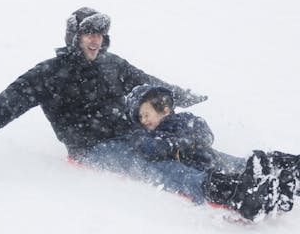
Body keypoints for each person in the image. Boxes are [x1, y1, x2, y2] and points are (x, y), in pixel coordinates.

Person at [0, 7, 207, 156]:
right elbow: (6, 105)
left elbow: (147, 83)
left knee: (187, 148)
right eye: (89, 33)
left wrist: (181, 95)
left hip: (132, 134)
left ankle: (237, 172)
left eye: (100, 34)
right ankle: (226, 193)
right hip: (92, 150)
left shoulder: (112, 64)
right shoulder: (48, 74)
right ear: (73, 36)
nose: (96, 40)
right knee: (161, 165)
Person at [81, 84, 297, 221]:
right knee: (188, 177)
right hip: (186, 170)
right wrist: (180, 143)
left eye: (146, 114)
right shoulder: (142, 135)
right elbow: (151, 148)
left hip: (206, 157)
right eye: (140, 118)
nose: (144, 121)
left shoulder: (185, 120)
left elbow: (204, 133)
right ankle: (241, 194)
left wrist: (187, 141)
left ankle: (282, 171)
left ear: (163, 109)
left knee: (228, 160)